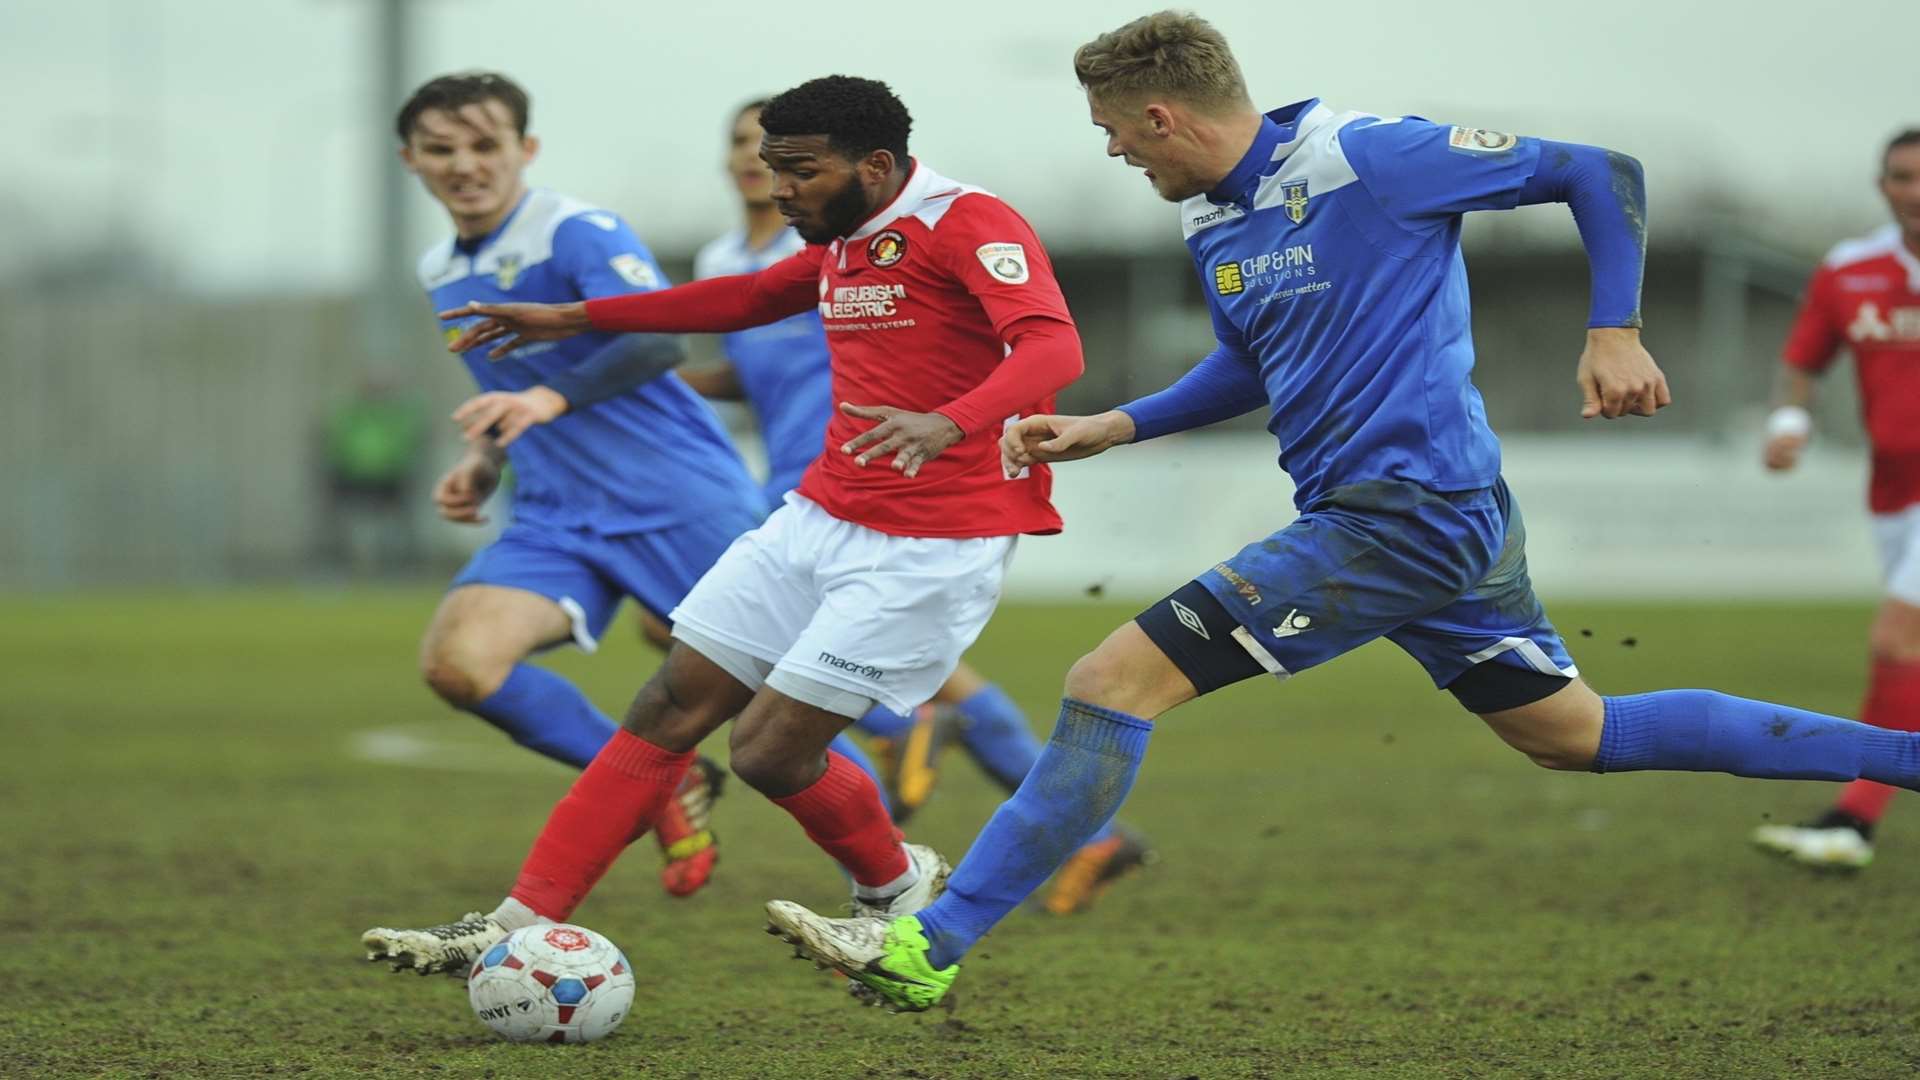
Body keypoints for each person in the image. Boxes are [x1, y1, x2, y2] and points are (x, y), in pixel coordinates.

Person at [760, 12, 1920, 1013]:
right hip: (1419, 518)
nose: (1110, 150)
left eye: (1113, 129)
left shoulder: (1369, 156)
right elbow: (1242, 368)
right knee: (1577, 735)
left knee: (1109, 682)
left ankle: (925, 945)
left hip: (1403, 512)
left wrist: (1612, 328)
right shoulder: (1218, 220)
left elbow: (1598, 170)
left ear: (1163, 114)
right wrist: (1116, 425)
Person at [361, 74, 1087, 976]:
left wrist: (951, 420)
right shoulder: (844, 238)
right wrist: (570, 317)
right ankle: (512, 923)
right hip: (819, 515)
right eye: (768, 167)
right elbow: (742, 301)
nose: (777, 189)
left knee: (769, 752)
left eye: (797, 170)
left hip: (936, 539)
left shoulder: (968, 220)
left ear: (875, 164)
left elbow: (1055, 346)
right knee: (670, 704)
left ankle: (897, 893)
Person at [684, 97, 1153, 911]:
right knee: (805, 682)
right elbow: (752, 366)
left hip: (882, 475)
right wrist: (640, 385)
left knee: (793, 704)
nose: (754, 165)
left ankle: (896, 813)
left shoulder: (866, 235)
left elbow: (977, 338)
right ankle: (1076, 832)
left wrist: (952, 419)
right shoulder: (725, 257)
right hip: (806, 485)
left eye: (787, 159)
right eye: (742, 146)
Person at [393, 70, 786, 900]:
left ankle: (899, 881)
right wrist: (486, 460)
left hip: (675, 499)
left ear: (524, 150)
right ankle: (668, 781)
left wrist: (549, 395)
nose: (465, 164)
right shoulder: (440, 267)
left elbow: (658, 343)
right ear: (412, 161)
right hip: (557, 514)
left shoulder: (574, 231)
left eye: (485, 144)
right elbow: (505, 389)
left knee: (779, 706)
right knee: (460, 664)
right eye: (442, 149)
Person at [1750, 128, 1920, 870]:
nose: (1914, 191)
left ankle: (1854, 817)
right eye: (1901, 177)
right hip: (1893, 491)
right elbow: (1803, 359)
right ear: (1882, 185)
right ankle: (1855, 818)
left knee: (1897, 640)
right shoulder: (1850, 271)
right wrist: (1790, 422)